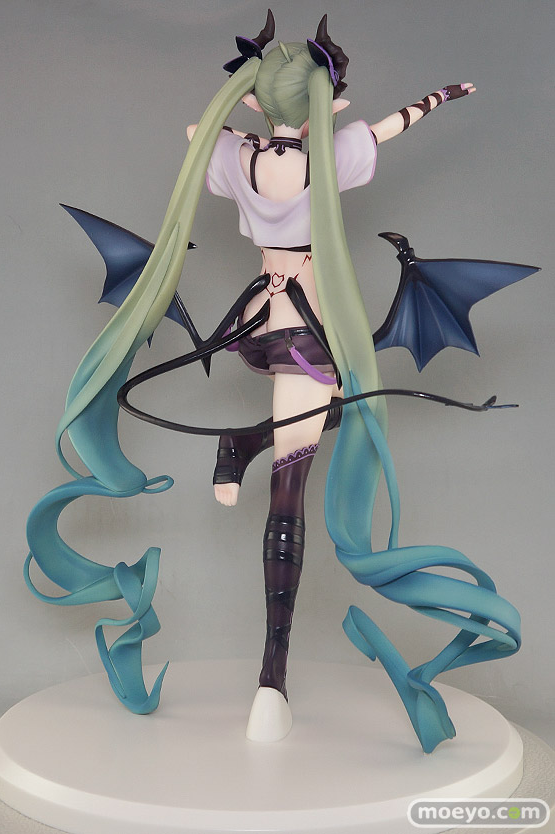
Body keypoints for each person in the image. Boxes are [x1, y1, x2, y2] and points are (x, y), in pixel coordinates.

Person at [26, 11, 520, 754]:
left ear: (257, 101)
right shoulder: (331, 155)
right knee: (292, 490)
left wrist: (233, 117)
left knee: (342, 412)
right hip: (306, 334)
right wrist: (442, 96)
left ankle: (243, 442)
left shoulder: (234, 155)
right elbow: (394, 125)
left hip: (255, 322)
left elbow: (196, 135)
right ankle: (271, 679)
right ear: (331, 102)